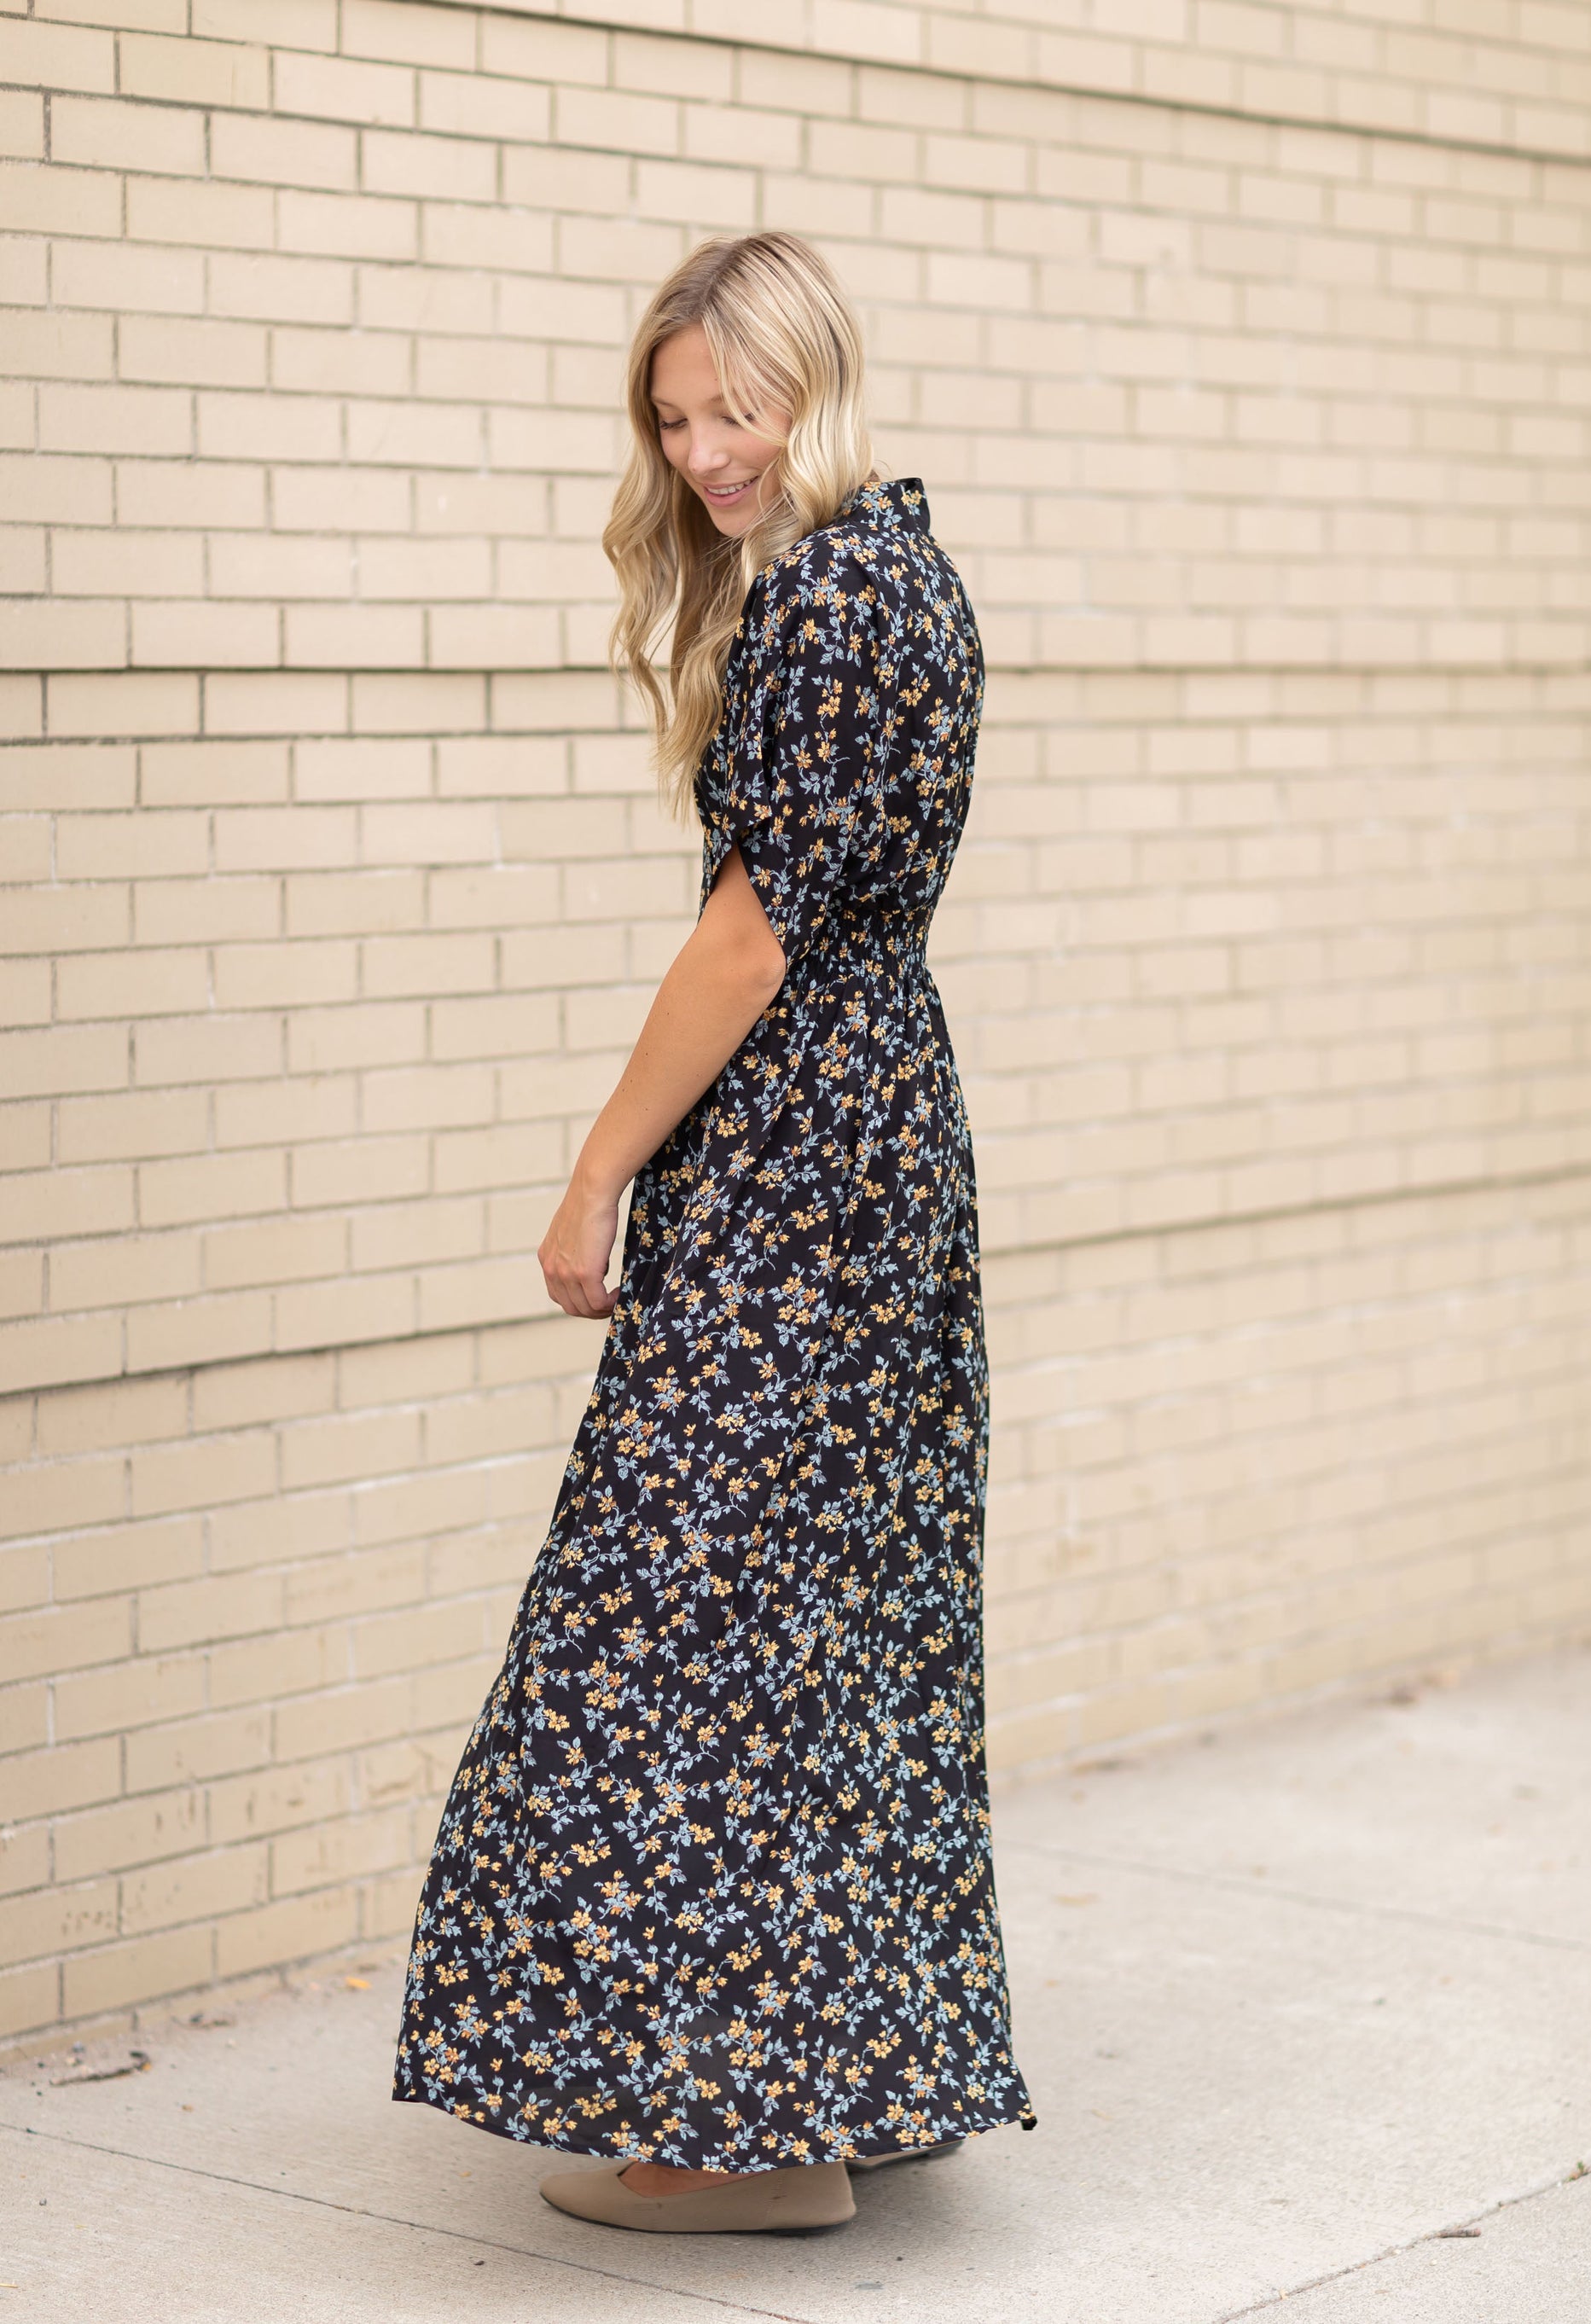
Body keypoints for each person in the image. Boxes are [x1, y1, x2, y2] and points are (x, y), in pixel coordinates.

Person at [392, 229, 1035, 2237]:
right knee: (829, 1624)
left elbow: (749, 933)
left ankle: (734, 2141)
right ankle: (848, 2079)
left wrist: (597, 1164)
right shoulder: (901, 576)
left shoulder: (828, 601)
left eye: (732, 406)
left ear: (809, 381)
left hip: (790, 1174)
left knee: (687, 1624)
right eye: (672, 420)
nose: (701, 453)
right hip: (878, 1151)